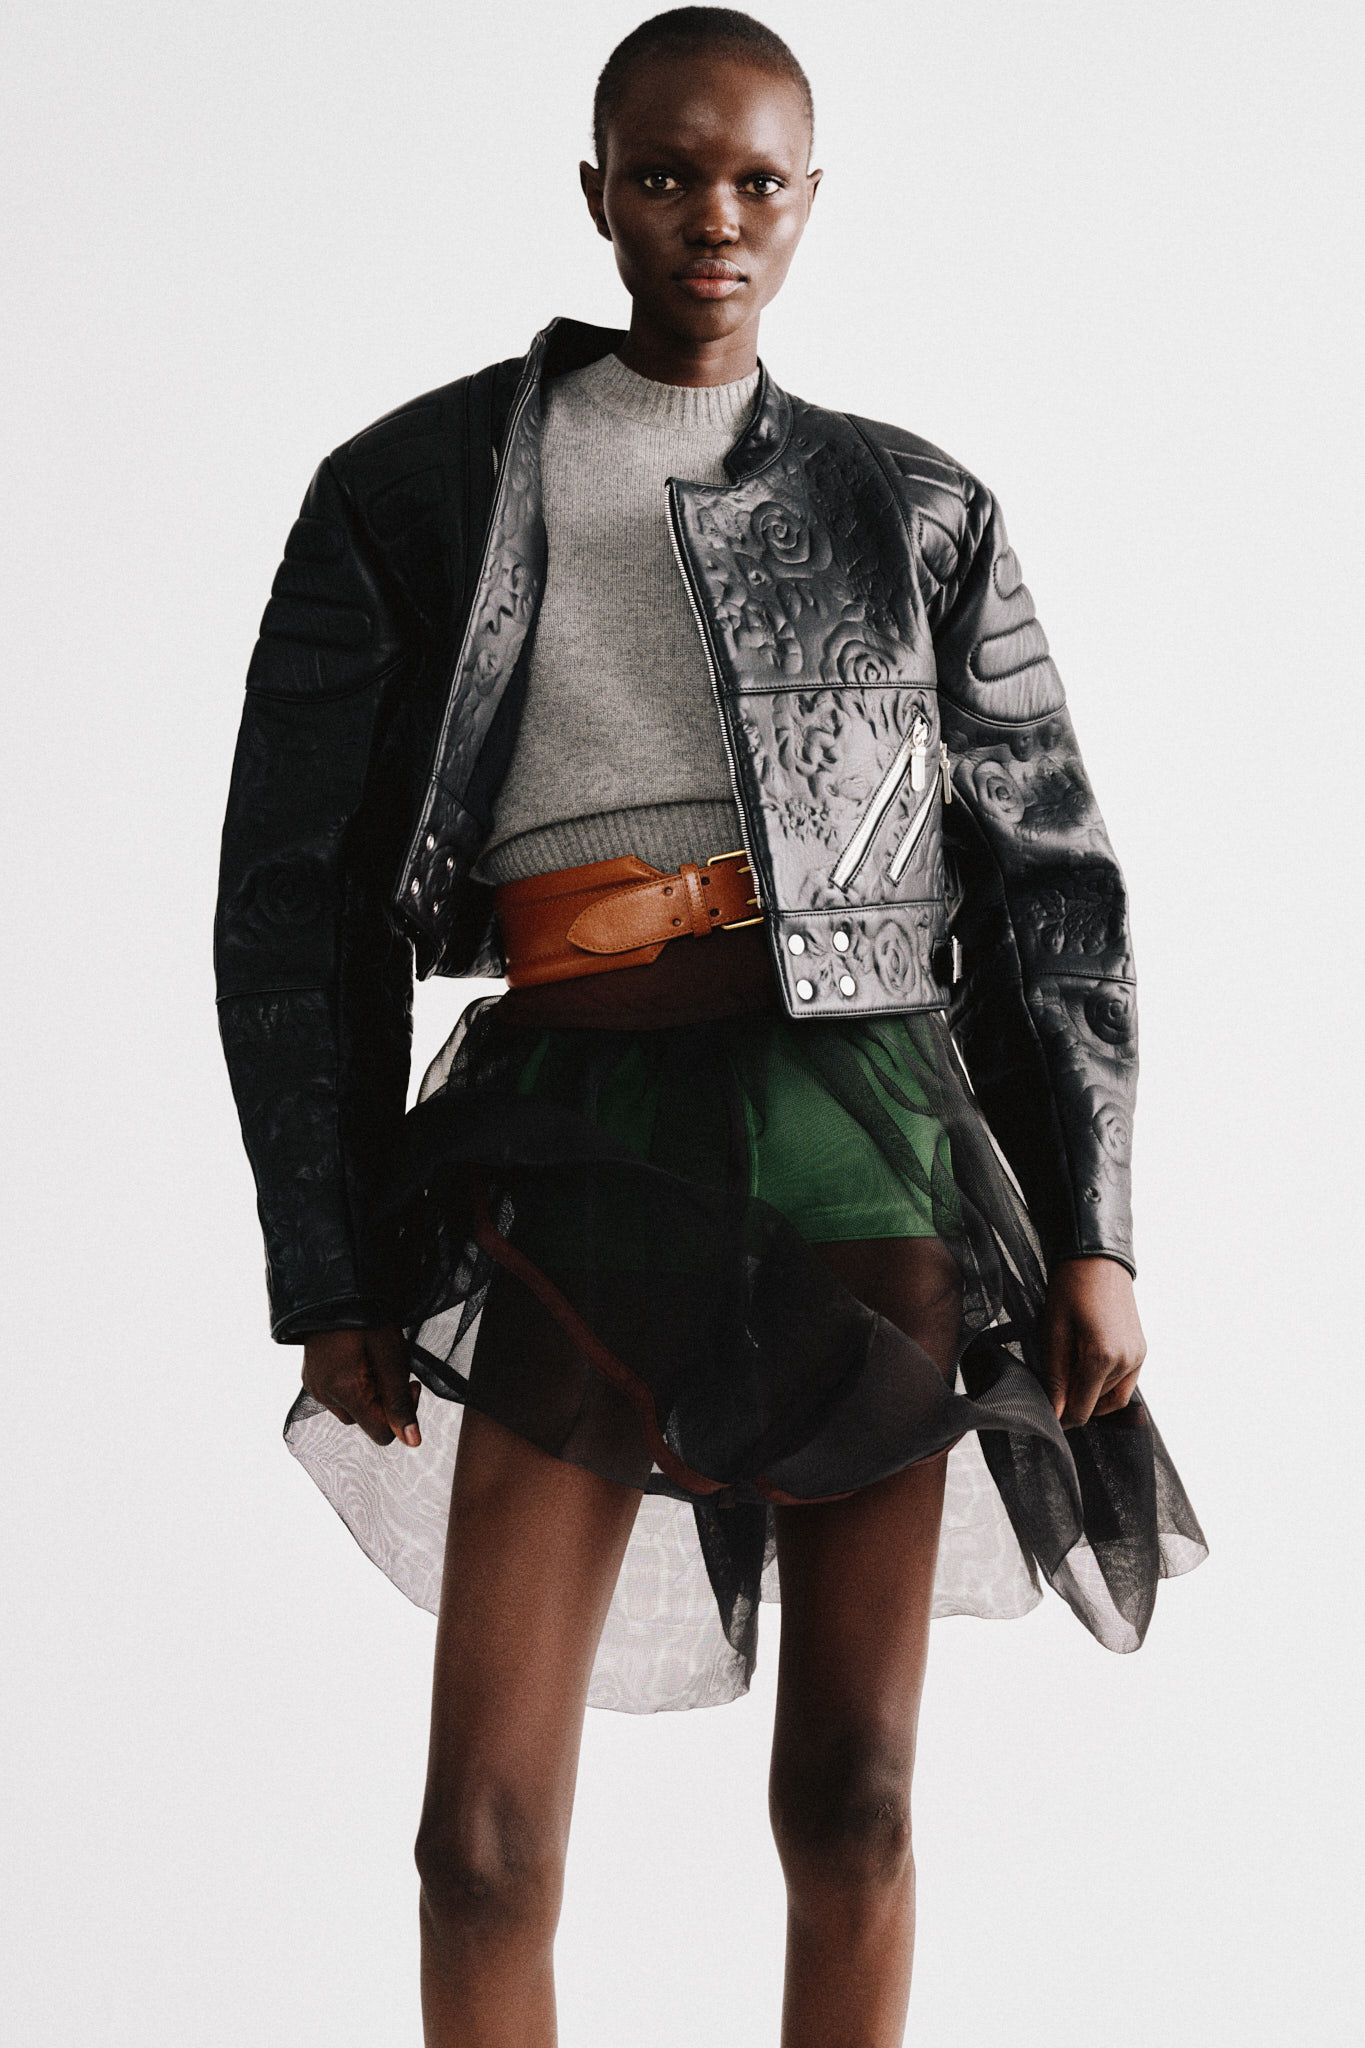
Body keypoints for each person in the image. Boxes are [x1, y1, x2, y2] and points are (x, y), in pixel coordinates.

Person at [214, 9, 1206, 2042]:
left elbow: (1049, 890)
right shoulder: (413, 489)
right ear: (595, 193)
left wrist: (1093, 1232)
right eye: (664, 175)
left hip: (862, 1133)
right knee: (479, 1845)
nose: (713, 220)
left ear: (813, 198)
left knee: (853, 1803)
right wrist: (326, 1265)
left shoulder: (912, 509)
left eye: (757, 181)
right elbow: (292, 904)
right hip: (572, 1139)